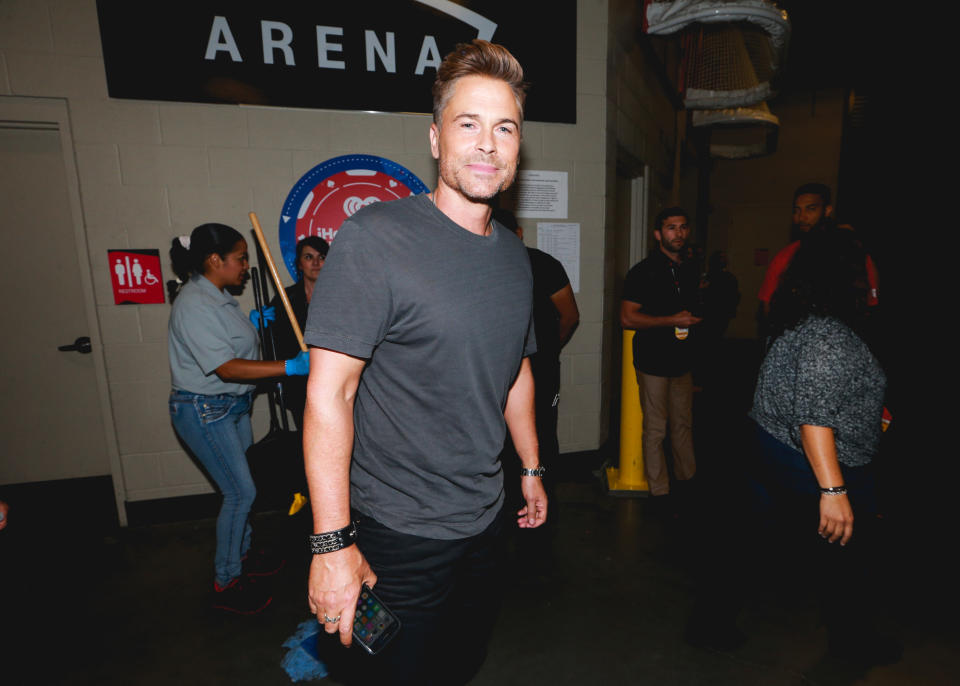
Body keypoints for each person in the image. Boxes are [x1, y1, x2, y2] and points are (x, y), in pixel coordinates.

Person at [302, 40, 546, 685]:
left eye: (505, 128)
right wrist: (332, 545)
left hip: (485, 521)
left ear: (519, 146)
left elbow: (515, 370)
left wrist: (530, 468)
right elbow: (331, 395)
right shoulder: (376, 240)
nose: (487, 144)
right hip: (397, 535)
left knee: (461, 665)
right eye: (469, 124)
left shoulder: (515, 258)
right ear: (436, 138)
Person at [749, 228, 897, 664]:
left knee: (752, 543)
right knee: (852, 566)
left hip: (769, 450)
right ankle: (853, 648)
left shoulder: (793, 318)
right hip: (823, 467)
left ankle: (711, 623)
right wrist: (834, 493)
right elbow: (814, 420)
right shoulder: (829, 336)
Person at [167, 223, 310, 614]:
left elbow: (236, 349)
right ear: (215, 260)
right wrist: (289, 367)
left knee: (244, 487)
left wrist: (256, 324)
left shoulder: (219, 298)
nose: (246, 267)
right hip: (204, 409)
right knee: (240, 492)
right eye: (241, 258)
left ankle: (243, 556)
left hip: (231, 408)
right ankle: (226, 579)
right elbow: (228, 369)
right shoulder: (195, 303)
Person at [492, 207, 577, 573]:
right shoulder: (485, 266)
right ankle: (508, 506)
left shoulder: (543, 265)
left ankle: (542, 501)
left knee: (542, 432)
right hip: (498, 375)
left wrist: (546, 353)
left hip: (542, 373)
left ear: (520, 234)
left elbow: (570, 316)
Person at [620, 207, 702, 505]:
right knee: (656, 428)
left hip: (682, 361)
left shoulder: (689, 269)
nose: (678, 233)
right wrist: (672, 321)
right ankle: (659, 491)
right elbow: (627, 318)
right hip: (653, 361)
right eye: (671, 228)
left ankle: (688, 480)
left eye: (682, 227)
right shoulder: (643, 271)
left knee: (683, 423)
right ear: (658, 234)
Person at [758, 183, 879, 317]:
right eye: (797, 210)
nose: (801, 217)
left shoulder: (851, 250)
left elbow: (870, 301)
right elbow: (767, 305)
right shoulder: (786, 255)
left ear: (827, 211)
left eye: (810, 209)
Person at [254, 236, 330, 429]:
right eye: (308, 257)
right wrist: (263, 327)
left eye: (321, 257)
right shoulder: (284, 299)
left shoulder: (342, 298)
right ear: (299, 264)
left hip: (333, 382)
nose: (315, 263)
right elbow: (273, 346)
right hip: (299, 387)